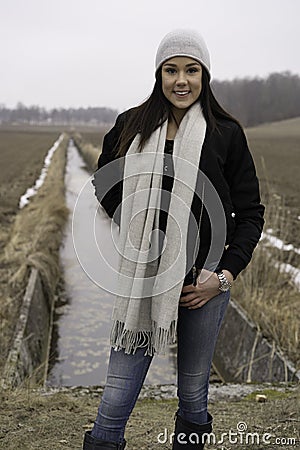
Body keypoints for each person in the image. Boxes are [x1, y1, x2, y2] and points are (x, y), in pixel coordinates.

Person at [83, 29, 265, 449]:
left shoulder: (225, 134)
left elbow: (250, 213)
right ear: (158, 75)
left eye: (191, 70)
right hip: (143, 282)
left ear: (204, 75)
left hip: (203, 287)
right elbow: (104, 183)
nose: (181, 80)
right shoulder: (130, 124)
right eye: (171, 70)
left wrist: (221, 276)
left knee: (193, 396)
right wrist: (135, 228)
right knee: (113, 401)